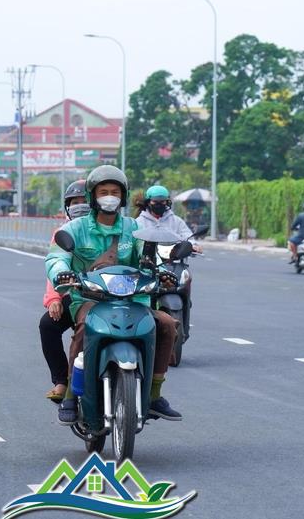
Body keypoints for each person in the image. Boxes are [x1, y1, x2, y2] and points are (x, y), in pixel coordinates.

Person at [45, 165, 182, 423]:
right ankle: (71, 397)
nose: (109, 196)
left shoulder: (133, 228)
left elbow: (149, 255)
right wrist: (63, 273)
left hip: (131, 299)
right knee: (85, 328)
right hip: (89, 299)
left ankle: (154, 395)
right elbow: (56, 258)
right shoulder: (75, 229)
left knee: (165, 324)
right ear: (92, 196)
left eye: (115, 192)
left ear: (123, 197)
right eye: (104, 191)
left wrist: (161, 270)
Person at [40, 180, 90, 402]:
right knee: (47, 325)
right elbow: (55, 265)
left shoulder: (120, 227)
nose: (80, 206)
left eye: (84, 201)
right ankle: (62, 380)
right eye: (75, 202)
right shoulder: (63, 233)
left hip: (112, 296)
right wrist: (54, 298)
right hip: (77, 295)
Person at [135, 185, 201, 252]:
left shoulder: (176, 221)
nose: (159, 204)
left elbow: (187, 235)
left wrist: (193, 245)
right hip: (147, 259)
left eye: (162, 201)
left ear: (167, 202)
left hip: (172, 258)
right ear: (148, 202)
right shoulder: (139, 222)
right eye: (155, 202)